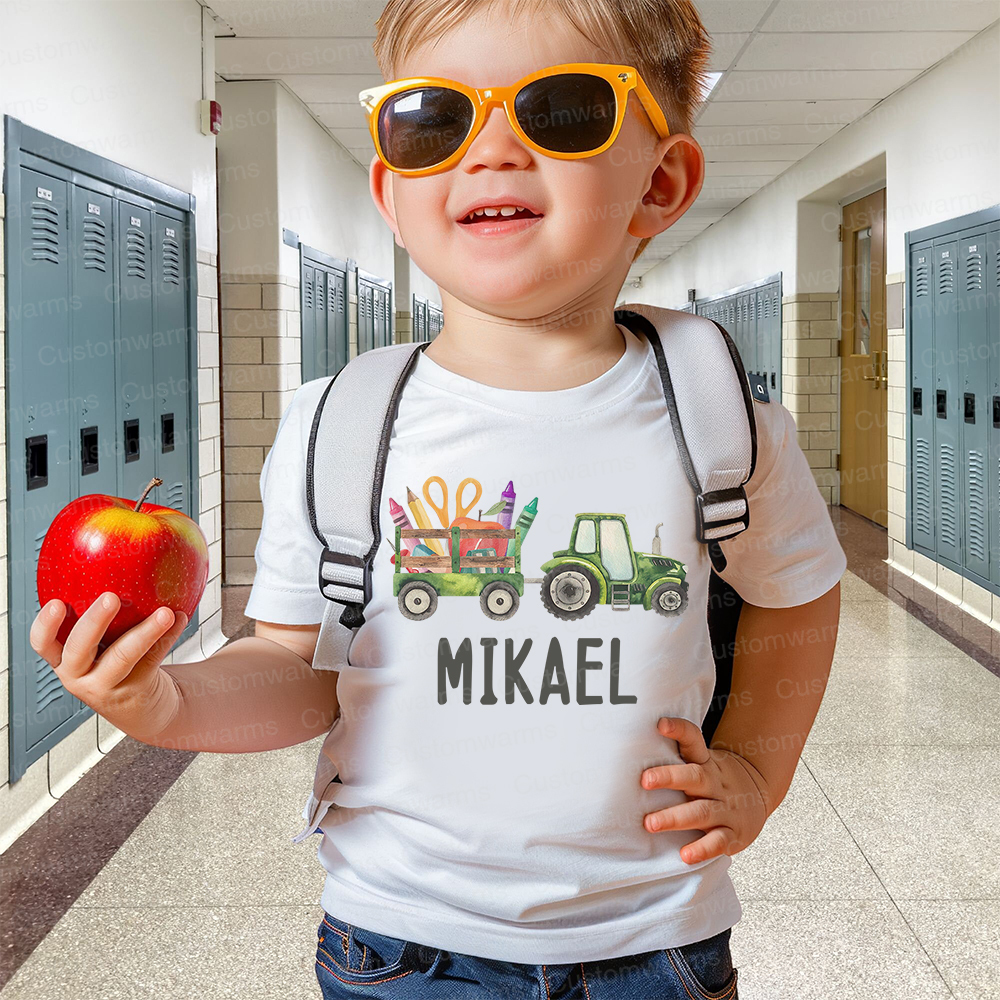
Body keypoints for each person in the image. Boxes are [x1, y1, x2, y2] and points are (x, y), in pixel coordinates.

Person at [31, 1, 847, 996]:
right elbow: (297, 670)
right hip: (399, 941)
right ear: (392, 186)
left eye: (562, 110)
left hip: (656, 936)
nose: (492, 147)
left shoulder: (718, 415)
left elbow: (797, 590)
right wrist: (164, 701)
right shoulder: (338, 426)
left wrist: (757, 770)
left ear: (661, 182)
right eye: (434, 119)